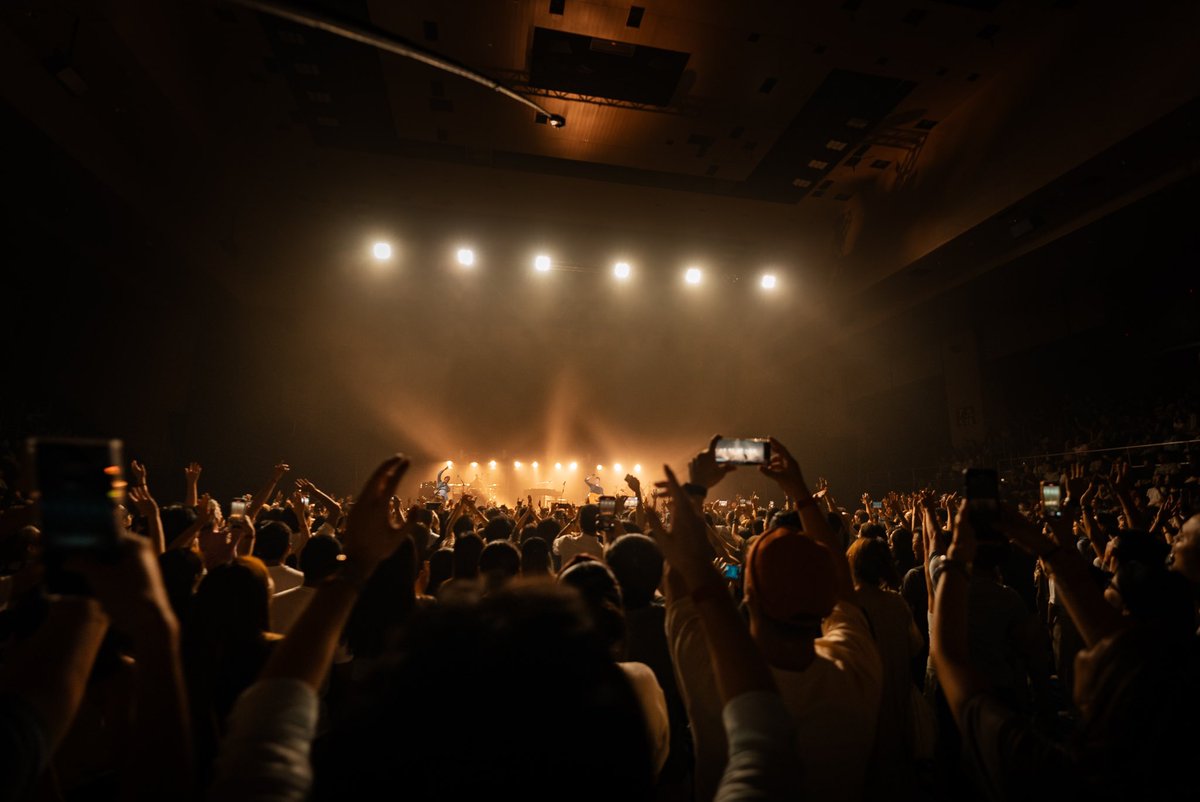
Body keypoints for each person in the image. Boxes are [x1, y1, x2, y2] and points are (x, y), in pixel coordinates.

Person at [665, 436, 882, 802]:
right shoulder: (855, 667)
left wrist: (695, 489)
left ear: (748, 595)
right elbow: (843, 583)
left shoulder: (713, 672)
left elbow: (676, 579)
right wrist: (799, 490)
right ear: (825, 597)